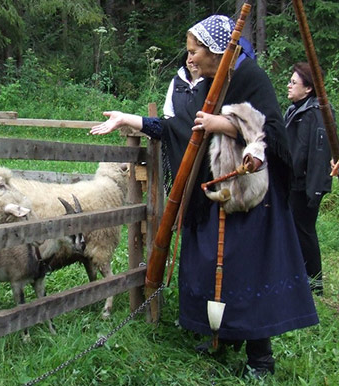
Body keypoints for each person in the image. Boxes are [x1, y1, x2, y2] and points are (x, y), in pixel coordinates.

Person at [91, 15, 318, 378]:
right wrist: (129, 119)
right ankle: (223, 337)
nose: (190, 58)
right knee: (216, 269)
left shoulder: (249, 77)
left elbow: (272, 132)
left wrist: (223, 124)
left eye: (195, 51)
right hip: (214, 199)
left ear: (216, 51)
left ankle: (261, 358)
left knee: (247, 272)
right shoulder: (207, 84)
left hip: (249, 199)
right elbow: (178, 128)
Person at [284, 62, 333, 296]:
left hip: (305, 184)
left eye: (294, 82)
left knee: (304, 232)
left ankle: (315, 287)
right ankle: (298, 281)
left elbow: (320, 154)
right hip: (292, 182)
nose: (288, 85)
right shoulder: (294, 109)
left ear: (309, 88)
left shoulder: (318, 112)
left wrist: (315, 189)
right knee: (294, 231)